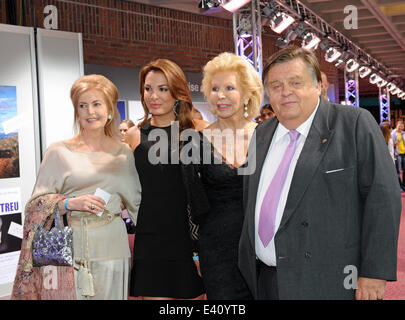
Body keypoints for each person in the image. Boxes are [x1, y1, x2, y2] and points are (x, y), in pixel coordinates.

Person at [238, 46, 401, 300]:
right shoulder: (262, 134)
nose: (286, 92)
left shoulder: (353, 124)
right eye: (276, 85)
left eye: (296, 82)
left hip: (329, 280)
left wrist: (374, 272)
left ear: (318, 87)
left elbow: (383, 199)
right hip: (266, 280)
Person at [11, 74, 142, 300]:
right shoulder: (58, 152)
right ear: (76, 111)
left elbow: (137, 204)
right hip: (66, 252)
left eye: (97, 104)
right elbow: (34, 206)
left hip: (112, 248)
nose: (90, 112)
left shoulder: (123, 153)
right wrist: (69, 203)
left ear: (110, 109)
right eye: (83, 105)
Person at [126, 59, 206, 300]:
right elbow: (124, 187)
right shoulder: (133, 136)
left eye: (163, 89)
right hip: (150, 241)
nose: (154, 96)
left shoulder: (199, 131)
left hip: (189, 242)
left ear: (178, 91)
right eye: (148, 88)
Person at [194, 52, 262, 299]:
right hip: (217, 249)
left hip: (263, 247)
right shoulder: (197, 142)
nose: (220, 95)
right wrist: (194, 252)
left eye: (229, 88)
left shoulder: (266, 136)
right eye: (214, 88)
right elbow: (190, 202)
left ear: (246, 93)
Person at [391, 120, 405, 191]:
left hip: (404, 154)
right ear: (396, 126)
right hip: (398, 154)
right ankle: (399, 186)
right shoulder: (393, 133)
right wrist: (394, 144)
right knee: (398, 171)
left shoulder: (403, 133)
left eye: (401, 126)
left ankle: (404, 186)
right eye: (399, 126)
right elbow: (390, 144)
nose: (400, 127)